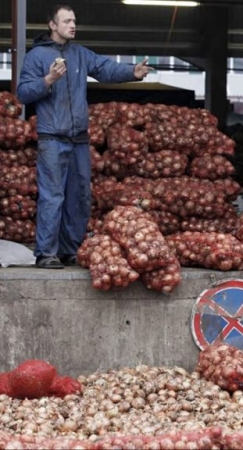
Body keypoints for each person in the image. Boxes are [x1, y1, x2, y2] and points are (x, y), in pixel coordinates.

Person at [17, 4, 152, 269]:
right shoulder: (37, 56)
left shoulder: (80, 54)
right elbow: (23, 93)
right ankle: (46, 252)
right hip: (52, 138)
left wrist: (131, 73)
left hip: (79, 139)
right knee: (52, 196)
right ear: (52, 25)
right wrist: (48, 80)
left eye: (74, 20)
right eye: (67, 21)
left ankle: (69, 249)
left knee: (79, 195)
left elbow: (104, 68)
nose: (73, 25)